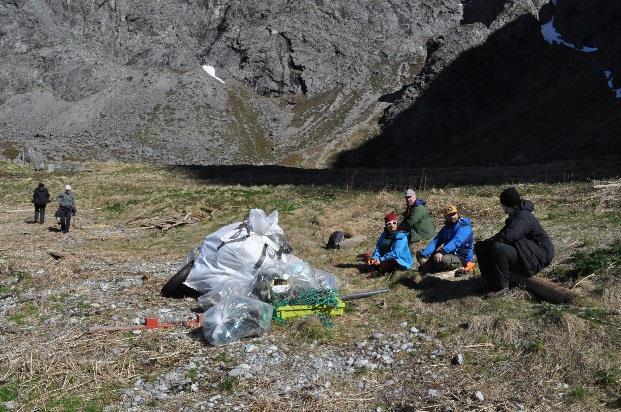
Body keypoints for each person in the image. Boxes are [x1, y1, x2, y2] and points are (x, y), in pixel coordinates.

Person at [474, 187, 554, 298]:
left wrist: (492, 242)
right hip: (528, 253)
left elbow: (509, 236)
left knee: (498, 248)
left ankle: (502, 287)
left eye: (502, 205)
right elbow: (505, 234)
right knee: (481, 246)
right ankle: (491, 283)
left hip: (538, 258)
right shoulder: (516, 215)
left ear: (506, 205)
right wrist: (487, 243)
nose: (501, 208)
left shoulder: (523, 216)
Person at [417, 205, 474, 274]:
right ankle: (430, 268)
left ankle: (467, 266)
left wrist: (442, 252)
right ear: (445, 217)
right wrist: (424, 255)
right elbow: (436, 241)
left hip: (462, 258)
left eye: (454, 214)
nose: (452, 216)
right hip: (448, 254)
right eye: (449, 215)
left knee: (443, 260)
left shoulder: (464, 226)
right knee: (420, 254)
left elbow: (456, 241)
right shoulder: (446, 228)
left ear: (457, 214)